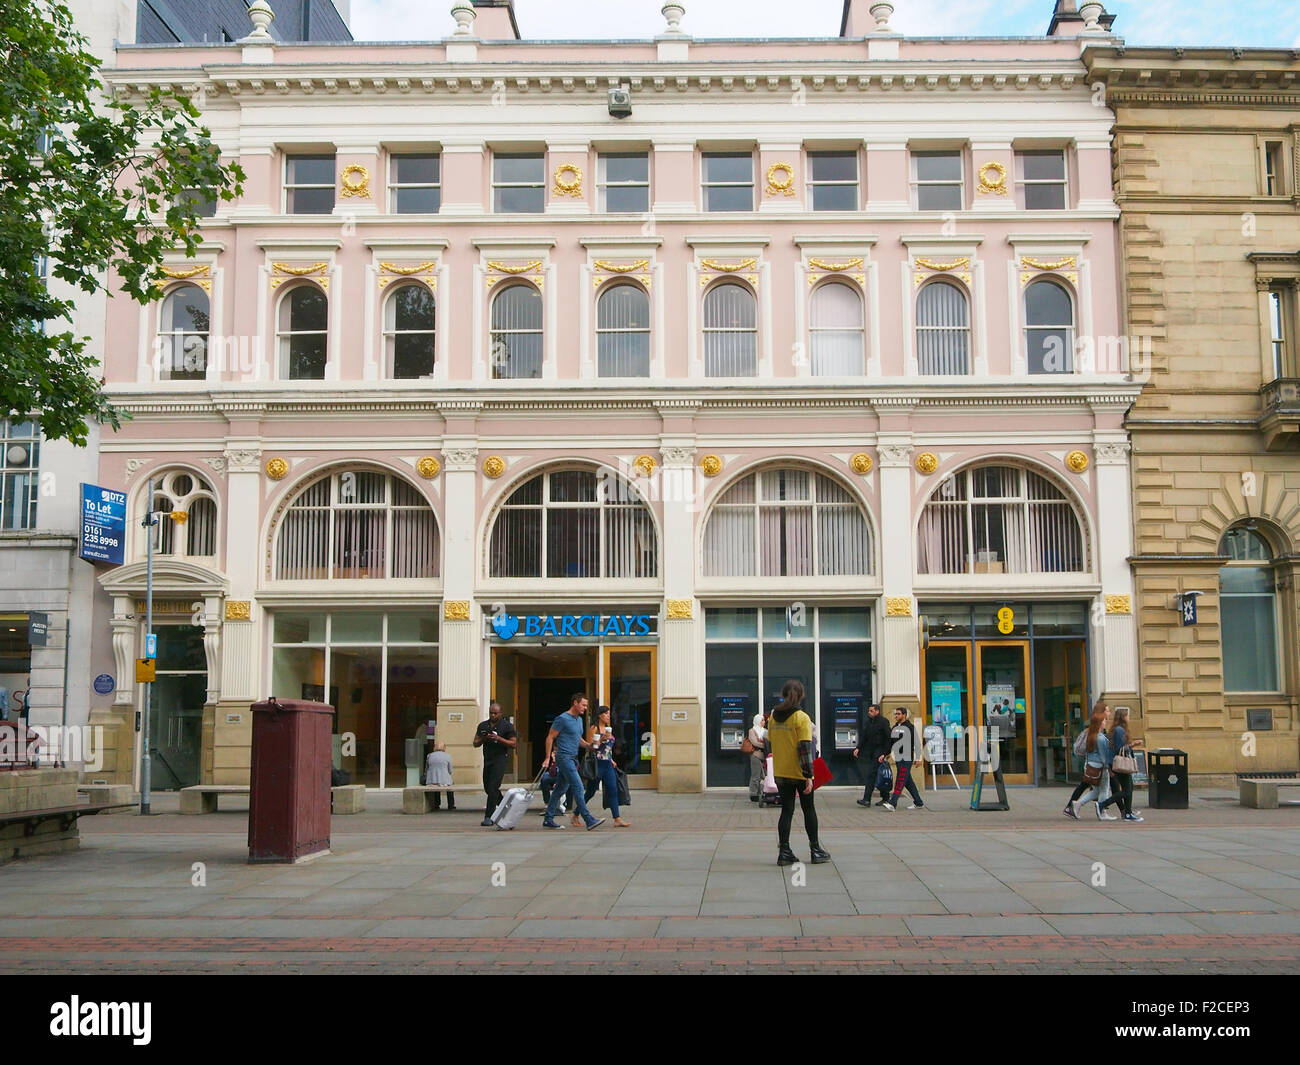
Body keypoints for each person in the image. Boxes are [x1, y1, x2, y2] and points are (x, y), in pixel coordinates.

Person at [767, 679, 830, 866]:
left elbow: (769, 741)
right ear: (801, 695)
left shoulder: (773, 717)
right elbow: (804, 748)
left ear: (784, 694)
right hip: (799, 772)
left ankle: (784, 851)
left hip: (780, 771)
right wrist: (809, 776)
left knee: (786, 811)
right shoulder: (801, 718)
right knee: (808, 809)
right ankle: (815, 849)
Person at [541, 693, 605, 831]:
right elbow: (550, 737)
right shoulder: (562, 719)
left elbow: (577, 738)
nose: (585, 708)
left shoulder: (579, 720)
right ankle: (588, 819)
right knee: (578, 787)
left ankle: (548, 819)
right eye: (583, 705)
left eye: (586, 705)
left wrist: (588, 745)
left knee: (560, 789)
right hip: (564, 757)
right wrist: (547, 757)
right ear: (575, 703)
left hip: (573, 757)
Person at [1064, 702, 1114, 820]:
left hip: (1090, 764)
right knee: (1104, 789)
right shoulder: (1101, 737)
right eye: (1103, 721)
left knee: (1096, 791)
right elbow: (1103, 756)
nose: (1105, 722)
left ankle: (1077, 804)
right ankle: (1102, 812)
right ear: (1099, 723)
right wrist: (1108, 768)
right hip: (1099, 766)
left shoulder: (1091, 735)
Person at [583, 705, 630, 827]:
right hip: (597, 764)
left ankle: (617, 818)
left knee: (612, 789)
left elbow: (608, 749)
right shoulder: (594, 728)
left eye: (609, 714)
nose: (608, 716)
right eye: (606, 714)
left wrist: (611, 759)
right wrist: (602, 739)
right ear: (600, 715)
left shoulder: (609, 729)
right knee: (590, 792)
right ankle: (577, 814)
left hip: (607, 763)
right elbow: (591, 747)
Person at [474, 700, 518, 826]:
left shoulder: (507, 726)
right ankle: (507, 806)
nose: (493, 716)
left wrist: (499, 739)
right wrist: (484, 738)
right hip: (488, 759)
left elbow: (513, 744)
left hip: (500, 759)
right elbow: (475, 743)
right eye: (491, 713)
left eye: (495, 713)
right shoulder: (483, 725)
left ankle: (489, 816)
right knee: (488, 788)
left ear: (500, 713)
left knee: (493, 786)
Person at [1099, 706, 1145, 822]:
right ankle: (1103, 804)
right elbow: (1120, 749)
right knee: (1127, 790)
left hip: (1117, 763)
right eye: (1127, 716)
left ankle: (1128, 813)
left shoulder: (1117, 729)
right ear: (1123, 717)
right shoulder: (1120, 730)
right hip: (1121, 763)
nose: (1129, 718)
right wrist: (1133, 744)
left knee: (1128, 788)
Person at [882, 707, 924, 811]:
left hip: (907, 757)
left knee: (900, 780)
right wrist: (886, 754)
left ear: (904, 715)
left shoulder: (910, 727)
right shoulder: (895, 727)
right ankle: (918, 802)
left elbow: (917, 743)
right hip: (898, 757)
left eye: (898, 714)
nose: (896, 716)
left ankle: (893, 803)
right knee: (908, 781)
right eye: (895, 714)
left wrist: (918, 758)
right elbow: (891, 742)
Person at [853, 703, 892, 808]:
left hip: (879, 751)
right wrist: (858, 748)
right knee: (878, 774)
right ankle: (885, 798)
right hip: (872, 751)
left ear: (877, 711)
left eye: (871, 711)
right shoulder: (869, 722)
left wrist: (885, 753)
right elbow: (864, 736)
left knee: (872, 774)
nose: (869, 713)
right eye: (869, 711)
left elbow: (889, 738)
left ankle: (866, 799)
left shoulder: (883, 722)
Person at [423, 742, 455, 811]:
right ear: (444, 748)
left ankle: (436, 804)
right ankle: (451, 805)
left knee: (436, 787)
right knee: (450, 787)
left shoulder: (429, 755)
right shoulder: (448, 756)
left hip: (432, 781)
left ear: (435, 748)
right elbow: (450, 770)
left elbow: (426, 769)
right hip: (445, 781)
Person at [746, 712, 768, 803]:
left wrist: (764, 744)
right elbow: (754, 742)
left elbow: (769, 741)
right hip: (756, 755)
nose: (764, 721)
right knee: (756, 775)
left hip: (765, 756)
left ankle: (761, 791)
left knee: (764, 775)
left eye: (764, 720)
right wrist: (764, 745)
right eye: (762, 720)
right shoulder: (752, 730)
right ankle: (753, 794)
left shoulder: (765, 731)